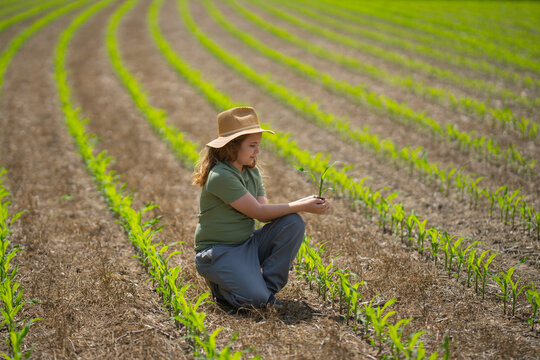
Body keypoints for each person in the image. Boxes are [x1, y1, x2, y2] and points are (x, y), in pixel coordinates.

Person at [192, 106, 330, 309]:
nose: (257, 151)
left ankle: (265, 290)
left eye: (258, 145)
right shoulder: (221, 176)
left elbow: (265, 215)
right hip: (219, 253)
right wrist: (303, 204)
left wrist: (301, 207)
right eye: (252, 145)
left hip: (246, 246)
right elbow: (258, 213)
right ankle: (226, 289)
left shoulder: (251, 173)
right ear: (232, 146)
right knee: (256, 301)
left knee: (292, 223)